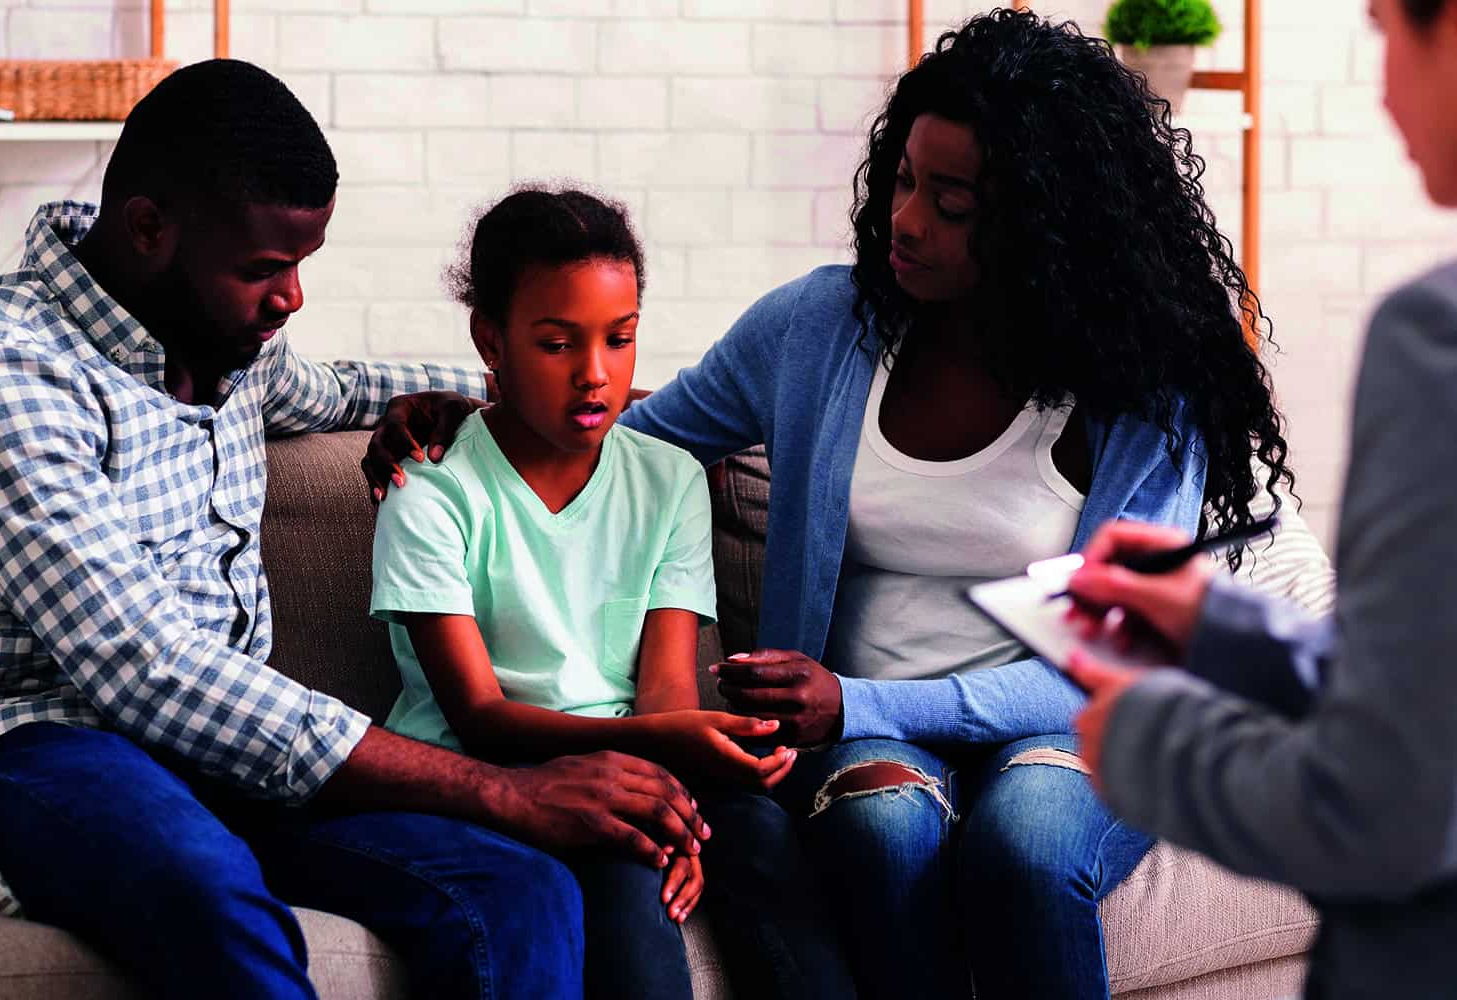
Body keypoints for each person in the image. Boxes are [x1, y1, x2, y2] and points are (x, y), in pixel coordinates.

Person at [365, 9, 1295, 998]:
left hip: (1069, 720)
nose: (904, 219)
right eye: (902, 180)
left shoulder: (1145, 388)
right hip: (869, 738)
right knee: (882, 830)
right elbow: (621, 442)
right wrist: (476, 407)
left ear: (1041, 221)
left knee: (1026, 849)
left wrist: (852, 700)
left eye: (951, 202)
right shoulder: (822, 326)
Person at [0, 60, 714, 1000]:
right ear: (150, 229)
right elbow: (146, 667)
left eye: (301, 265)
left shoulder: (225, 347)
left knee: (518, 891)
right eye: (264, 270)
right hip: (56, 742)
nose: (292, 300)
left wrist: (490, 394)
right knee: (212, 896)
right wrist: (502, 789)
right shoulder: (3, 371)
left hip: (239, 762)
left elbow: (339, 384)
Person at [1059, 0, 1457, 996]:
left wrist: (1155, 741)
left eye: (1381, 32)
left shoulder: (1434, 343)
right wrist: (1224, 627)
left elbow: (1382, 805)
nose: (1380, 91)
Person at [369, 187, 853, 1000]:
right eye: (558, 344)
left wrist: (679, 781)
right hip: (493, 774)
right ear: (491, 339)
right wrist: (660, 776)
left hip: (638, 756)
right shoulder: (430, 488)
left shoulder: (667, 478)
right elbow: (479, 718)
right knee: (629, 870)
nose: (596, 375)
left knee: (761, 835)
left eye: (620, 338)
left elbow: (664, 691)